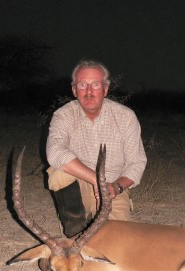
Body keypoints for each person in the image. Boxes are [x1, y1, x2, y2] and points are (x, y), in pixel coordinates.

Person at [46, 60, 147, 237]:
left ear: (106, 89)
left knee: (115, 241)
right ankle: (75, 230)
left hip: (113, 188)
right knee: (59, 173)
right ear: (74, 90)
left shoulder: (126, 116)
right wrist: (96, 180)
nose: (89, 91)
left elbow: (137, 163)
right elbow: (54, 152)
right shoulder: (63, 115)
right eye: (83, 85)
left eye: (95, 85)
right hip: (80, 185)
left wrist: (115, 187)